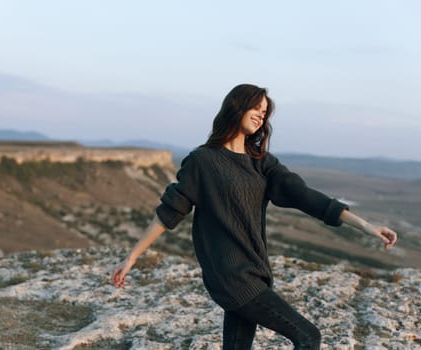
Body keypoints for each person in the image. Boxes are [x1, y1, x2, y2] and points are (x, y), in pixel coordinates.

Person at [112, 83, 398, 349]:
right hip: (231, 276)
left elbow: (306, 196)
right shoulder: (203, 161)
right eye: (256, 109)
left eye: (264, 113)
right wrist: (132, 257)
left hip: (255, 272)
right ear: (236, 107)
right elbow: (168, 213)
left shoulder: (260, 162)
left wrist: (365, 225)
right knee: (309, 336)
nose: (261, 117)